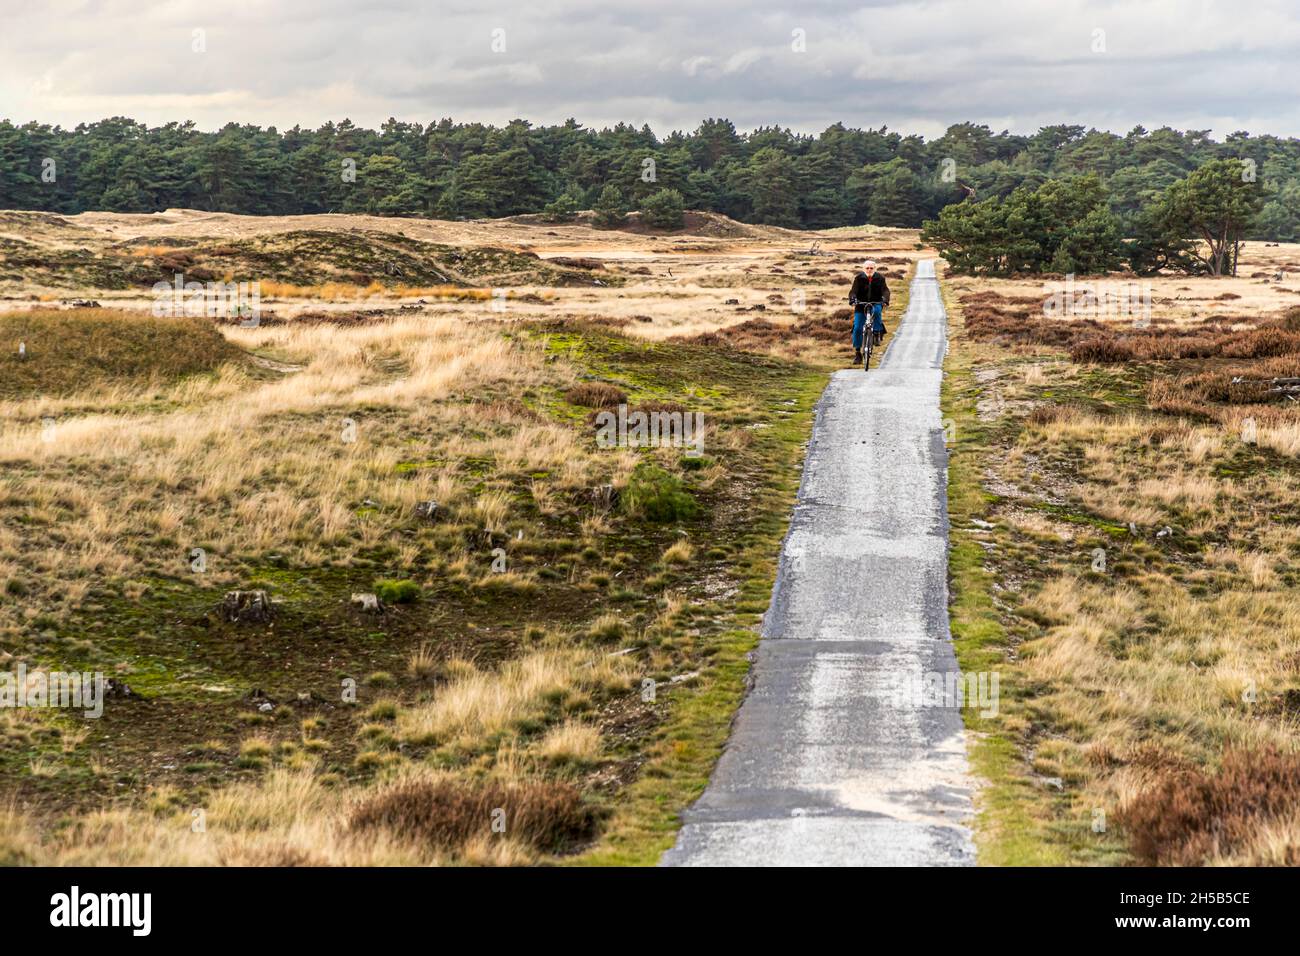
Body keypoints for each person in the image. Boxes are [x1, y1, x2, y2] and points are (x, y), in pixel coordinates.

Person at [848, 260, 890, 364]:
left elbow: (885, 290)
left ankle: (876, 332)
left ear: (875, 268)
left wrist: (885, 299)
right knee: (857, 328)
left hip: (876, 302)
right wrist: (853, 299)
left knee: (876, 311)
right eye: (867, 268)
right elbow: (853, 291)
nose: (869, 270)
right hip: (860, 305)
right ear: (864, 269)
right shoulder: (858, 278)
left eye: (871, 268)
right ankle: (858, 353)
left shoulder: (880, 278)